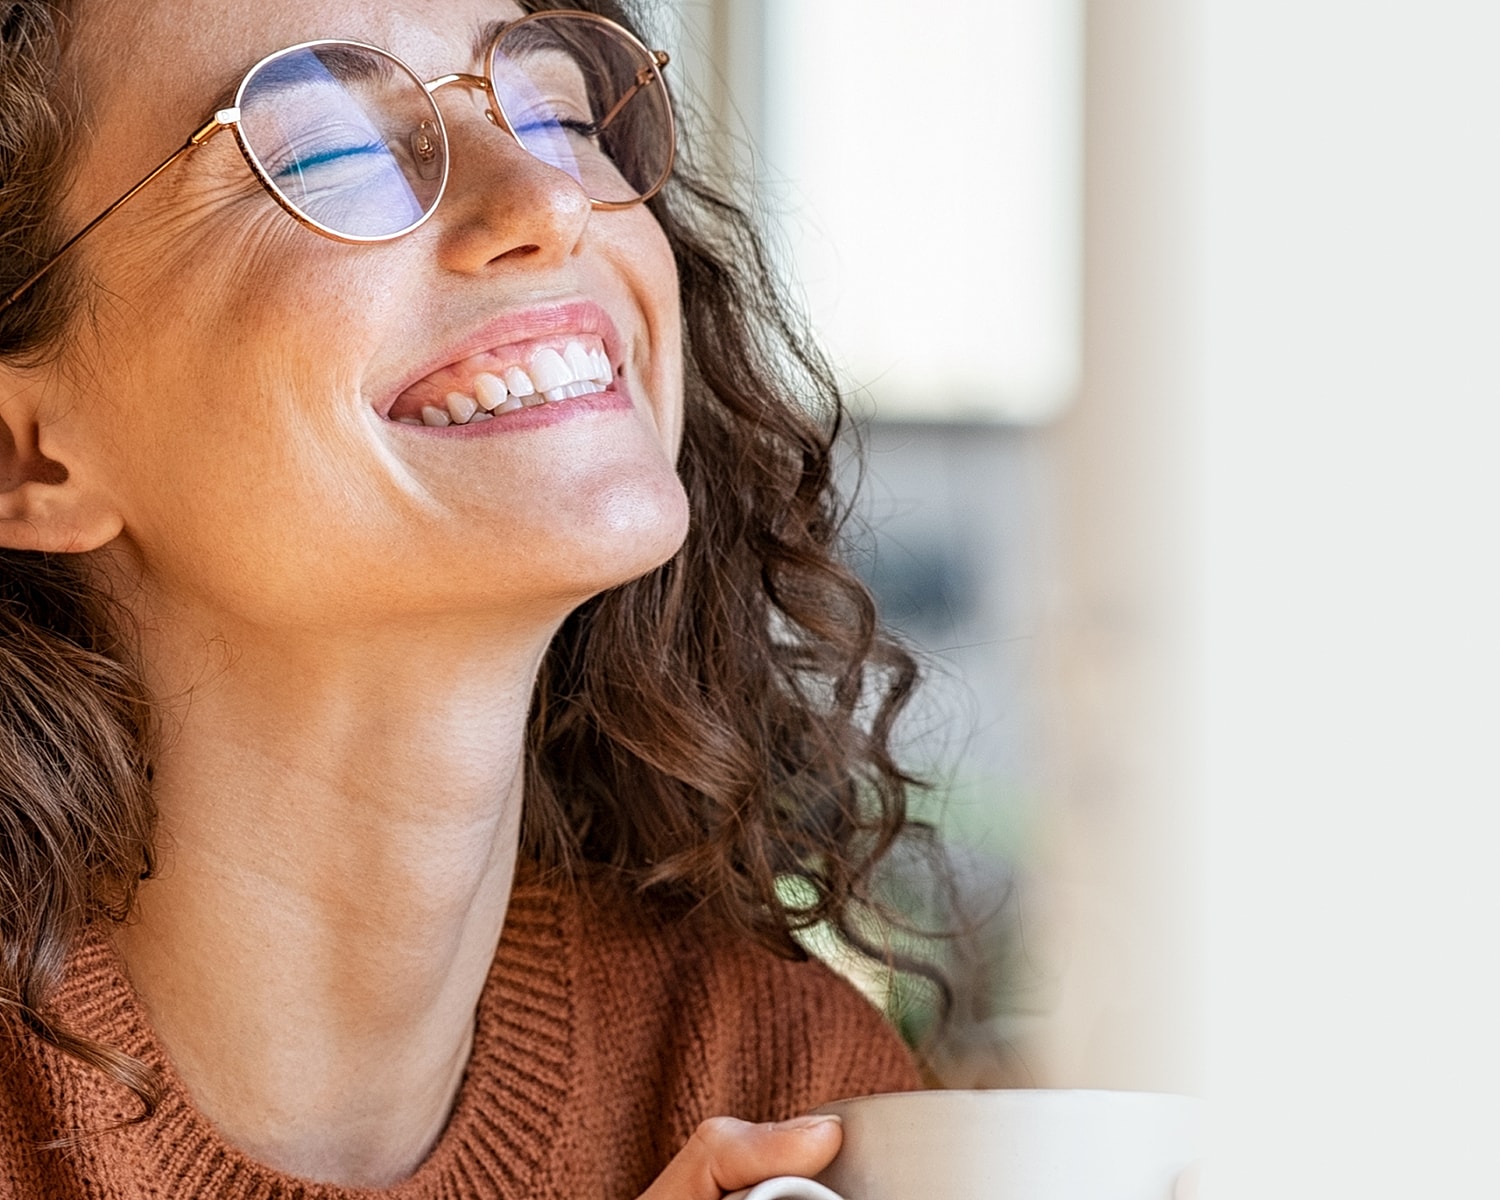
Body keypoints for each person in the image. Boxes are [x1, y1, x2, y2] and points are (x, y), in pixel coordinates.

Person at [0, 0, 926, 1195]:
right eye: (326, 151)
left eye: (556, 110)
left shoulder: (773, 1077)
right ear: (30, 455)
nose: (545, 199)